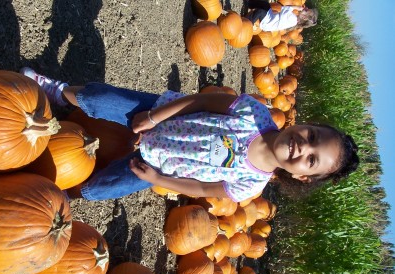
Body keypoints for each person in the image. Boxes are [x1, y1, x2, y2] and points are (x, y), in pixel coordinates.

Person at [20, 67, 359, 202]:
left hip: (158, 164)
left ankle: (55, 195)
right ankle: (57, 91)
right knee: (100, 99)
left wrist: (158, 178)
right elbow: (200, 101)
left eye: (311, 160)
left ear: (301, 176)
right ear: (306, 125)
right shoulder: (254, 113)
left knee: (99, 189)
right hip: (158, 117)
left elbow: (199, 187)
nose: (303, 147)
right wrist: (152, 116)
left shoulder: (249, 186)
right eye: (312, 135)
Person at [246, 0, 318, 32]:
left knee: (260, 12)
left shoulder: (292, 19)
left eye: (306, 10)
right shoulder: (293, 19)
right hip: (271, 18)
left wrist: (296, 7)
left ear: (304, 17)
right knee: (266, 5)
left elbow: (283, 9)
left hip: (268, 23)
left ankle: (247, 23)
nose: (305, 8)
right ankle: (250, 3)